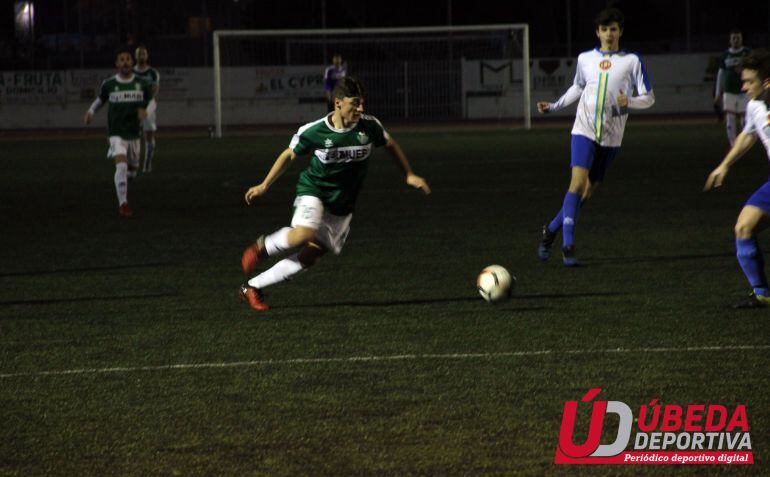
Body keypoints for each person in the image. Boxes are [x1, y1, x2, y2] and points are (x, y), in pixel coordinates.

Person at [239, 76, 431, 310]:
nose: (361, 108)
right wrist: (265, 184)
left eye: (363, 103)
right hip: (314, 190)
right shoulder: (315, 130)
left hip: (342, 204)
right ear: (338, 103)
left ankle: (252, 287)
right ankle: (262, 247)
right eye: (355, 103)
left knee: (311, 256)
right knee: (303, 234)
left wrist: (408, 174)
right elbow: (289, 154)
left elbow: (390, 144)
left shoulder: (369, 127)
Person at [536, 7, 655, 266]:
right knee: (577, 184)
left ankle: (551, 230)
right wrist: (555, 106)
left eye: (613, 29)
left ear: (620, 32)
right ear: (597, 32)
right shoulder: (585, 59)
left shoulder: (632, 61)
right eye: (604, 29)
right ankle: (568, 245)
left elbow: (649, 98)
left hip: (612, 138)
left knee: (587, 192)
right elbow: (578, 87)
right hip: (584, 129)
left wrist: (630, 101)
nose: (609, 34)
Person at [704, 49, 770, 308]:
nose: (743, 87)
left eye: (749, 82)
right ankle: (762, 293)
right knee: (743, 227)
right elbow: (748, 135)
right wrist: (724, 166)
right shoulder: (754, 106)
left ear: (765, 83)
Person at [84, 46, 156, 217]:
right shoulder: (109, 84)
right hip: (116, 133)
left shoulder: (142, 83)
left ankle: (127, 178)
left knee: (132, 170)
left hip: (134, 134)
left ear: (132, 62)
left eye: (127, 59)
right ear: (117, 64)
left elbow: (153, 102)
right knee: (121, 166)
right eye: (121, 59)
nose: (125, 62)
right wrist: (90, 112)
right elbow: (100, 100)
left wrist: (147, 111)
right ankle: (123, 204)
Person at [714, 30, 750, 147]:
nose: (736, 40)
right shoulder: (725, 55)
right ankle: (733, 145)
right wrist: (718, 92)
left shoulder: (747, 52)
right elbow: (721, 73)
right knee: (730, 119)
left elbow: (754, 68)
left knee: (745, 119)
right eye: (733, 38)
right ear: (730, 40)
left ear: (741, 39)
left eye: (738, 38)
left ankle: (743, 143)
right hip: (729, 92)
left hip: (744, 91)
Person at [133, 45, 160, 172]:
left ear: (147, 56)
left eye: (143, 53)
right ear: (135, 56)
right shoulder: (131, 72)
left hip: (148, 105)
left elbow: (155, 89)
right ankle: (132, 162)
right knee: (131, 136)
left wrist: (146, 104)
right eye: (139, 54)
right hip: (133, 104)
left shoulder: (153, 73)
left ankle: (147, 163)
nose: (141, 56)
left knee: (149, 136)